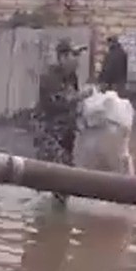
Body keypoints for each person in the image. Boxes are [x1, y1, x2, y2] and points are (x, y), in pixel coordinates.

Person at [33, 38, 85, 201]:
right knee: (56, 176)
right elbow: (57, 102)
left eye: (78, 55)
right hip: (49, 135)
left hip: (67, 134)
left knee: (66, 179)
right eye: (74, 54)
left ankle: (58, 215)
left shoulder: (72, 77)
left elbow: (73, 106)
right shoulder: (50, 77)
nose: (77, 59)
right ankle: (45, 218)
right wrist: (79, 97)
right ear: (62, 57)